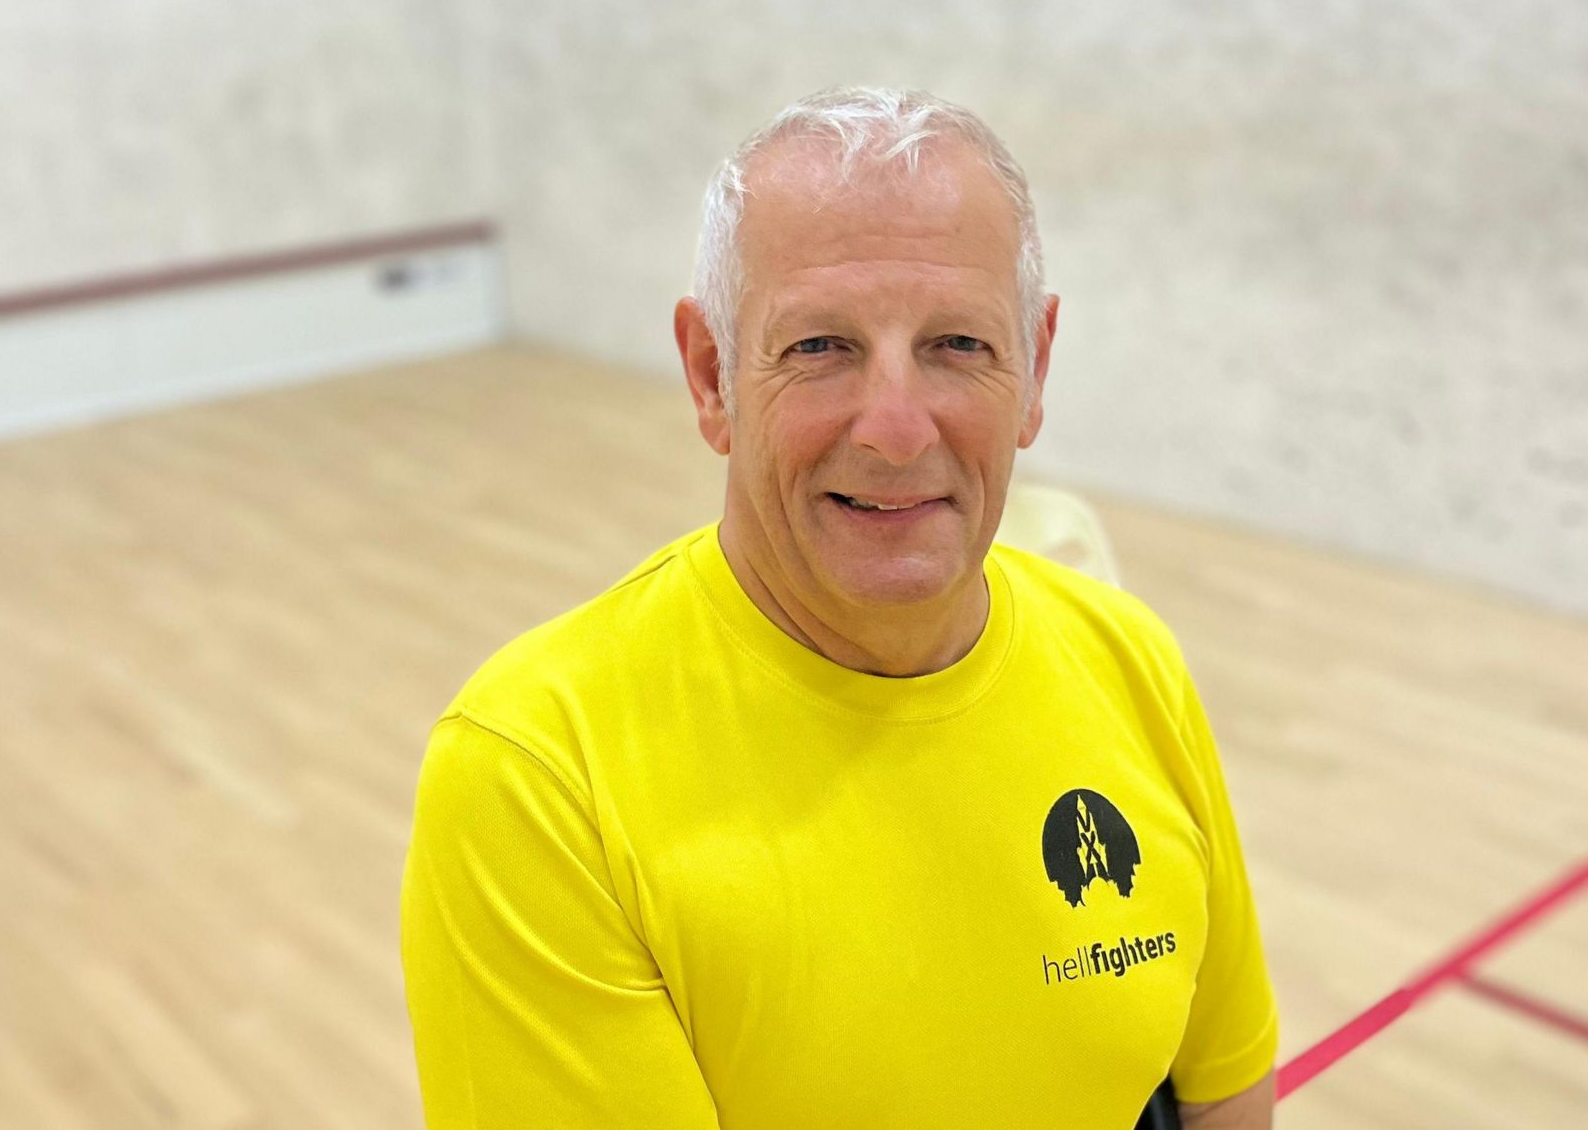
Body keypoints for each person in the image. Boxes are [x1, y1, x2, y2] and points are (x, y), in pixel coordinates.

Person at [400, 86, 1278, 1129]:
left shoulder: (1131, 660)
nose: (898, 429)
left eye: (957, 344)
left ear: (1035, 368)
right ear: (710, 375)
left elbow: (1221, 1085)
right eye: (819, 347)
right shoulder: (536, 777)